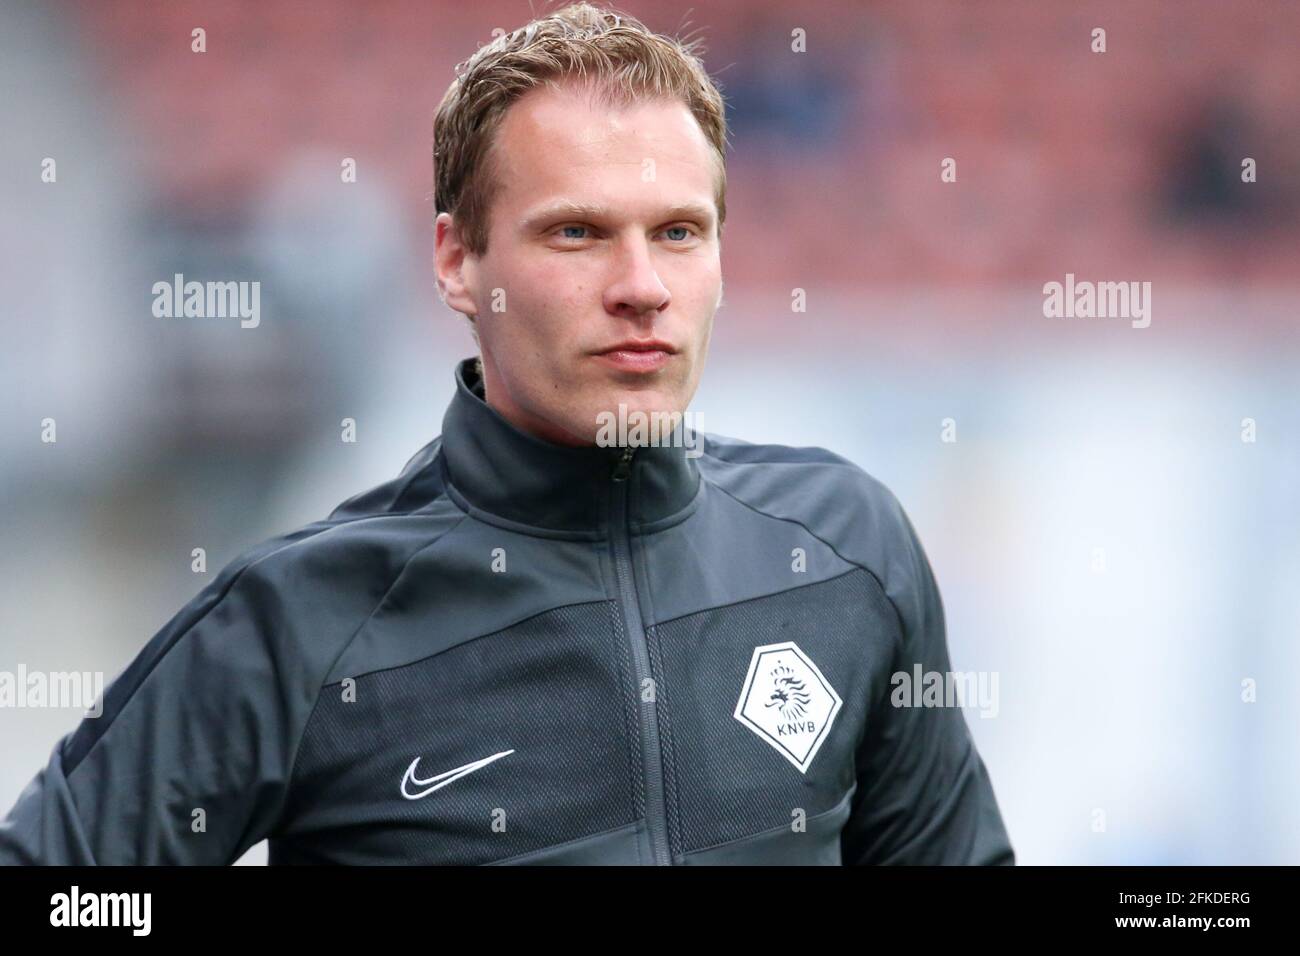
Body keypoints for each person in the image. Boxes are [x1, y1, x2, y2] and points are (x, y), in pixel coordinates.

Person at [0, 2, 1013, 865]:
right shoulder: (295, 620)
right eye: (576, 232)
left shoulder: (844, 548)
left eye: (677, 231)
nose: (640, 288)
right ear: (456, 261)